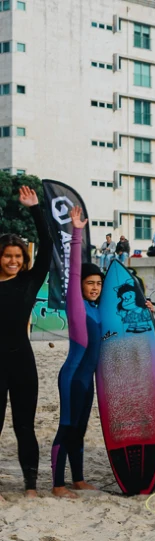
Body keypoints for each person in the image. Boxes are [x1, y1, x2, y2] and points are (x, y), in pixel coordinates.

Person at [0, 186, 50, 498]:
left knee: (24, 426)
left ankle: (30, 485)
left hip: (22, 362)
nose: (13, 261)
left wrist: (35, 209)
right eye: (7, 256)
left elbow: (48, 244)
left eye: (18, 256)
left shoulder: (29, 283)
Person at [52, 207, 104, 498]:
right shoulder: (76, 305)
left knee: (80, 430)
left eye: (98, 284)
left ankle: (78, 479)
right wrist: (77, 231)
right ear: (80, 286)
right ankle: (58, 484)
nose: (95, 288)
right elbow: (73, 269)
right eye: (90, 284)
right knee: (67, 427)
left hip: (88, 381)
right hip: (72, 378)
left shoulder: (97, 310)